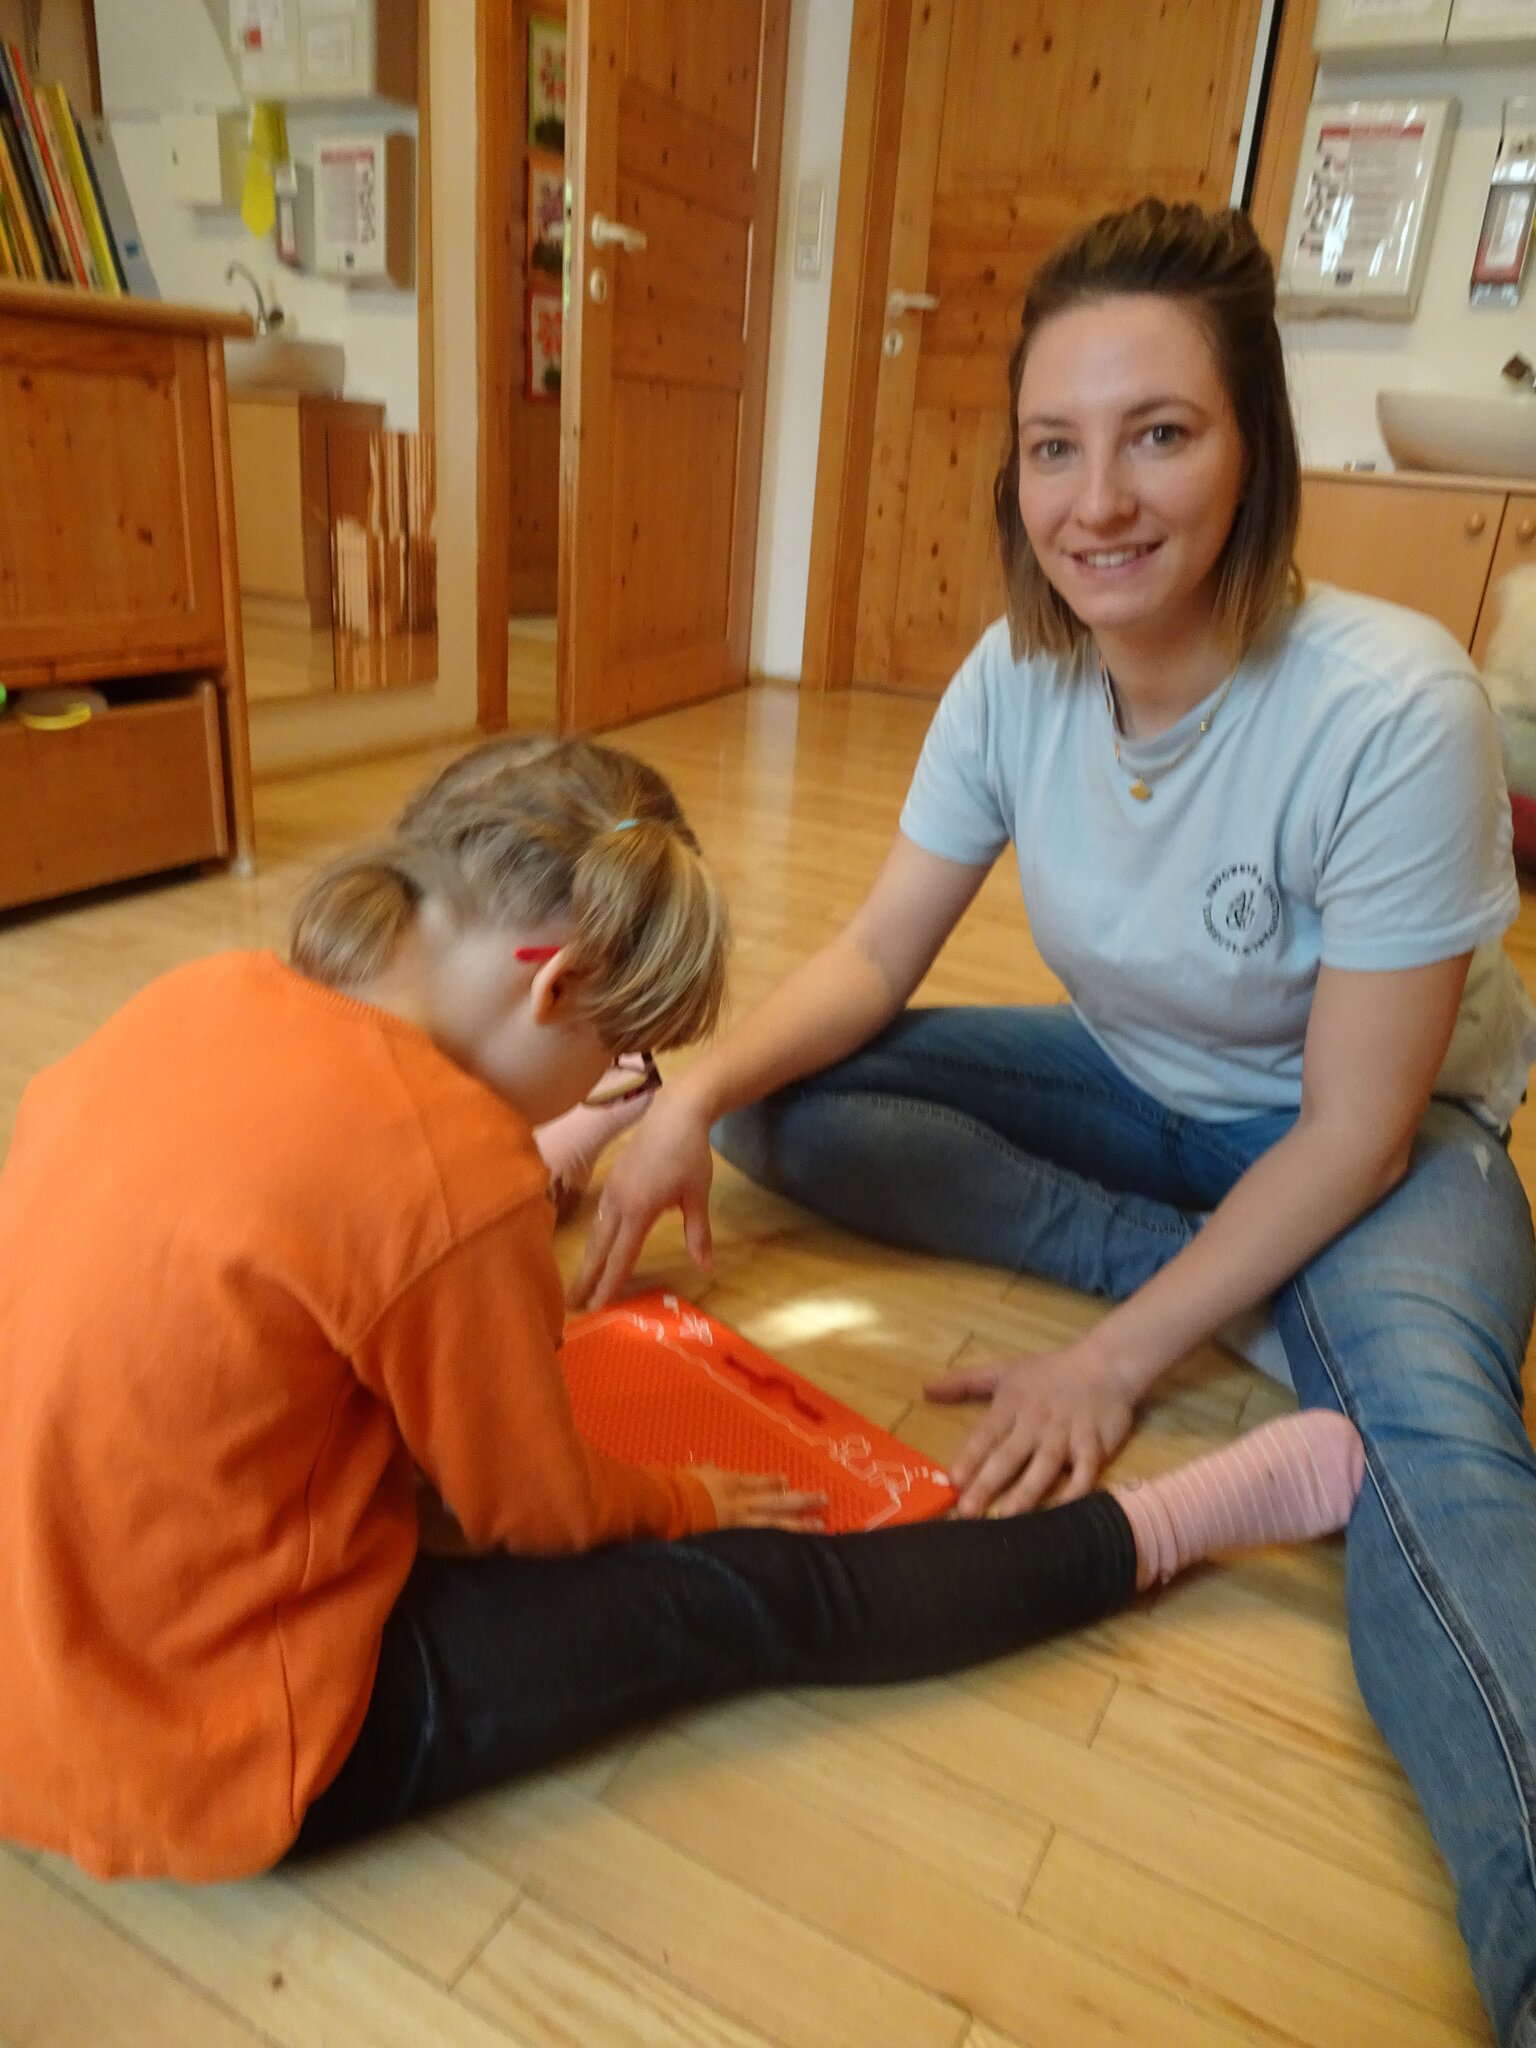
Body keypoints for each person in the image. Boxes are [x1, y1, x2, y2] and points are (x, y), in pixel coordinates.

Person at [571, 200, 1536, 2046]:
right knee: (790, 1112)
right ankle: (1242, 1299)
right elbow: (872, 952)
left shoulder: (1394, 708)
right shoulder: (1014, 678)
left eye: (1159, 433)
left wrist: (1111, 1364)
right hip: (1139, 1098)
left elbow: (1350, 1134)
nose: (1096, 500)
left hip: (1382, 1148)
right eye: (1053, 446)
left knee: (1431, 1435)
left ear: (1253, 443)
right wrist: (685, 1091)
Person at [0, 733, 1361, 1882]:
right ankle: (1178, 1522)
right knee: (752, 1598)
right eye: (621, 1052)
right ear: (558, 988)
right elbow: (534, 1510)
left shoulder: (207, 993)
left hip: (38, 1649)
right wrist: (689, 1501)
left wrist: (545, 1161)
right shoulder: (447, 1175)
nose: (620, 1074)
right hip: (199, 1744)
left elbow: (328, 1239)